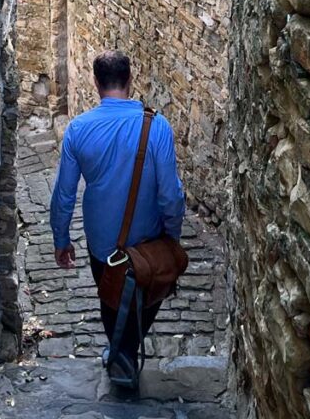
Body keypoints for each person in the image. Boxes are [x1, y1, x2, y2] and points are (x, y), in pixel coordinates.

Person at [49, 50, 186, 385]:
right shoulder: (157, 127)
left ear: (96, 83)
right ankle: (124, 354)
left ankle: (121, 353)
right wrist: (173, 233)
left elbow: (64, 193)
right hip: (148, 238)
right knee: (146, 292)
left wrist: (61, 239)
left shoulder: (78, 130)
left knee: (111, 297)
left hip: (103, 241)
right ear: (130, 80)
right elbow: (171, 194)